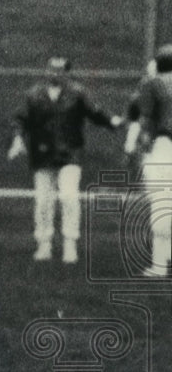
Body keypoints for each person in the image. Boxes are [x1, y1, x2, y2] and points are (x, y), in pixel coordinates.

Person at [7, 57, 123, 264]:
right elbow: (19, 119)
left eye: (60, 70)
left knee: (69, 197)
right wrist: (17, 139)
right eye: (51, 69)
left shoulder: (77, 93)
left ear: (67, 74)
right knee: (43, 200)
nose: (54, 74)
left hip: (70, 153)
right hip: (42, 154)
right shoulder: (34, 95)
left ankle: (70, 244)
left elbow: (94, 113)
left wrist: (112, 122)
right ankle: (44, 243)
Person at [125, 44, 172, 276]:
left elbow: (144, 119)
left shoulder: (153, 83)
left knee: (161, 203)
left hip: (164, 146)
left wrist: (135, 147)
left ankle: (160, 263)